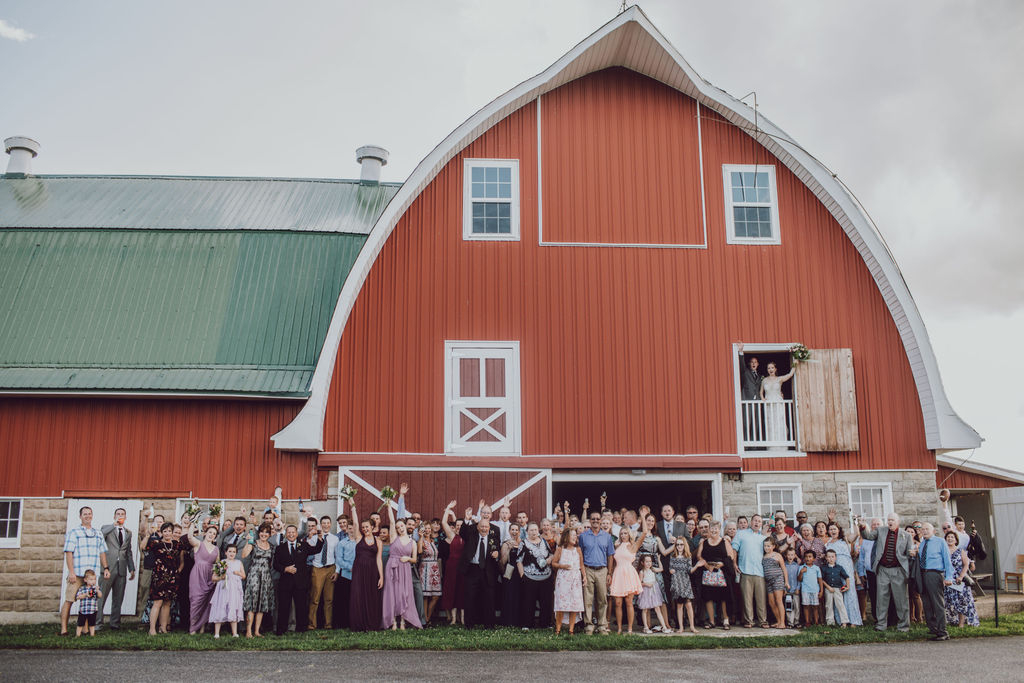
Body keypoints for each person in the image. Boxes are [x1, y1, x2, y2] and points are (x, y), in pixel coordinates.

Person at [61, 506, 110, 637]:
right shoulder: (74, 532)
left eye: (89, 514)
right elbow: (69, 553)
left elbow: (102, 552)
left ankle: (85, 630)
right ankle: (64, 629)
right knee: (69, 600)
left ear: (92, 516)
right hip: (77, 573)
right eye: (84, 514)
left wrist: (106, 568)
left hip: (91, 575)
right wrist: (71, 572)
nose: (87, 516)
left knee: (89, 600)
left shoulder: (98, 533)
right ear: (80, 516)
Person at [859, 512, 912, 632]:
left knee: (901, 600)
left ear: (898, 522)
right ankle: (881, 624)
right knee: (881, 598)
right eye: (888, 520)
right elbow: (868, 536)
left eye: (892, 520)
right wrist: (862, 526)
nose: (890, 522)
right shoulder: (880, 531)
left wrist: (912, 554)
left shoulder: (906, 535)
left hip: (898, 570)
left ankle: (903, 626)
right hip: (882, 570)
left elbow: (909, 554)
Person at [273, 523, 321, 635]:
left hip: (301, 582)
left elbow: (317, 549)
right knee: (284, 606)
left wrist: (319, 538)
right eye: (288, 532)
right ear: (285, 534)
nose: (291, 534)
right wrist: (285, 569)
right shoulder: (280, 548)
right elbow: (275, 564)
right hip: (286, 582)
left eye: (293, 532)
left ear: (296, 533)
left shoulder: (303, 545)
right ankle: (281, 630)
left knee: (301, 606)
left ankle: (302, 629)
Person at [381, 503, 422, 630]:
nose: (400, 528)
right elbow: (392, 521)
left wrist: (408, 558)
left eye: (401, 526)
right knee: (392, 594)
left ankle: (403, 621)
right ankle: (393, 621)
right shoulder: (394, 537)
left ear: (405, 526)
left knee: (404, 594)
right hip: (392, 568)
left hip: (405, 569)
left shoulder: (413, 542)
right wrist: (388, 506)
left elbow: (415, 559)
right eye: (398, 527)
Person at [578, 511, 616, 635]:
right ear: (590, 520)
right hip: (588, 569)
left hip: (602, 570)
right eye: (593, 519)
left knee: (602, 599)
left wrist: (609, 573)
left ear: (601, 520)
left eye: (597, 519)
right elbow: (580, 555)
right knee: (588, 599)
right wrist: (582, 572)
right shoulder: (583, 536)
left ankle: (602, 625)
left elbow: (610, 555)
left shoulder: (607, 536)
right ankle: (588, 625)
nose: (595, 521)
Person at [914, 522, 953, 640]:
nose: (924, 531)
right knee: (926, 603)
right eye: (923, 529)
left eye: (927, 529)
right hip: (923, 574)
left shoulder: (940, 542)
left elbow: (947, 560)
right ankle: (933, 628)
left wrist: (948, 577)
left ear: (933, 531)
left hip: (935, 574)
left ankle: (943, 631)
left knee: (937, 603)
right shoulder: (922, 544)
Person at [97, 507, 135, 631]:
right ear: (114, 516)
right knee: (101, 596)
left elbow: (128, 551)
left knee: (118, 598)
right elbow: (101, 534)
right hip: (108, 568)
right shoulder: (106, 528)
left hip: (121, 569)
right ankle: (98, 622)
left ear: (126, 517)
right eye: (118, 514)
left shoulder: (128, 533)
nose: (120, 516)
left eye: (122, 514)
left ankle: (115, 623)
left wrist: (131, 568)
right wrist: (114, 525)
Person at [347, 502, 384, 631]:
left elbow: (379, 559)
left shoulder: (378, 541)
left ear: (372, 527)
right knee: (358, 595)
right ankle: (359, 624)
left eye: (367, 527)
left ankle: (371, 624)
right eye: (363, 527)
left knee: (371, 596)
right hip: (359, 570)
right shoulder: (358, 538)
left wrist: (381, 577)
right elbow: (355, 523)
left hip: (372, 571)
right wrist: (353, 507)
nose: (365, 529)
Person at [147, 521, 184, 635]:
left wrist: (178, 570)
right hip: (159, 576)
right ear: (162, 532)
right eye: (165, 531)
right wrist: (149, 533)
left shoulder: (177, 544)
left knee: (167, 602)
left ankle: (163, 628)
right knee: (157, 602)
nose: (167, 533)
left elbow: (182, 559)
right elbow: (143, 547)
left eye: (169, 531)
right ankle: (152, 629)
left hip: (172, 576)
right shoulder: (156, 544)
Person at [732, 513, 768, 628]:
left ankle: (762, 621)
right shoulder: (741, 534)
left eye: (759, 521)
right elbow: (734, 549)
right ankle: (749, 621)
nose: (757, 523)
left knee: (761, 598)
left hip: (760, 572)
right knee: (747, 599)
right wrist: (734, 563)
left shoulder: (763, 538)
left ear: (761, 524)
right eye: (755, 520)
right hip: (745, 570)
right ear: (750, 522)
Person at [696, 519, 732, 629]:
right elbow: (699, 556)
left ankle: (726, 620)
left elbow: (731, 556)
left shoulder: (724, 542)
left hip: (721, 573)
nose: (714, 531)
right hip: (708, 573)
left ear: (719, 529)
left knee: (723, 598)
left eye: (716, 528)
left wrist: (722, 564)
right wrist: (706, 565)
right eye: (712, 528)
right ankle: (711, 621)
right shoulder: (704, 542)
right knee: (708, 597)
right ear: (709, 529)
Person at [609, 526, 646, 634]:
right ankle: (620, 628)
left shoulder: (632, 546)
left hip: (629, 573)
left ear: (629, 534)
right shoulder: (616, 545)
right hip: (618, 574)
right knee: (618, 603)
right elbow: (613, 561)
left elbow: (643, 534)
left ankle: (630, 628)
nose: (623, 535)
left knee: (629, 602)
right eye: (622, 533)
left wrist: (643, 516)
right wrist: (610, 574)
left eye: (625, 533)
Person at [824, 522, 862, 626]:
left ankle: (853, 620)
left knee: (849, 592)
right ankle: (842, 620)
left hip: (846, 566)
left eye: (834, 529)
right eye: (830, 529)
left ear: (839, 530)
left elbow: (856, 535)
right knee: (838, 592)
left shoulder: (844, 539)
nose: (833, 531)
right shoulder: (828, 543)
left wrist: (855, 522)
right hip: (834, 568)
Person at [242, 522, 275, 638]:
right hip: (254, 575)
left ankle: (256, 631)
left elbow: (272, 563)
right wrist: (248, 541)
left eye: (267, 532)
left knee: (262, 604)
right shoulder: (254, 543)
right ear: (258, 533)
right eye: (262, 531)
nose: (264, 534)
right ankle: (248, 631)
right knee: (252, 603)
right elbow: (244, 555)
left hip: (266, 576)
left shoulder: (271, 546)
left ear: (270, 534)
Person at [517, 521, 552, 630]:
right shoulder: (523, 543)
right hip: (530, 577)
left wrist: (549, 560)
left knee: (546, 601)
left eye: (535, 530)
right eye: (531, 530)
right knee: (528, 602)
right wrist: (522, 575)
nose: (534, 532)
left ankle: (545, 624)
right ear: (527, 532)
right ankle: (527, 624)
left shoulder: (544, 542)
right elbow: (519, 561)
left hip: (546, 577)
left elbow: (551, 554)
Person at [552, 526, 585, 634]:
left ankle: (571, 629)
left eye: (576, 536)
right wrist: (563, 566)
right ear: (566, 537)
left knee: (574, 604)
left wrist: (584, 576)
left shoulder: (578, 550)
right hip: (563, 579)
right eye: (572, 535)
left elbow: (581, 565)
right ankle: (558, 629)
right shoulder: (560, 549)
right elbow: (553, 563)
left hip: (575, 579)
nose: (574, 538)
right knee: (562, 604)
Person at [308, 515, 338, 630]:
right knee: (315, 598)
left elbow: (337, 556)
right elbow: (307, 549)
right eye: (323, 523)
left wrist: (337, 571)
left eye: (328, 523)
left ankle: (328, 624)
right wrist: (311, 535)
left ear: (330, 524)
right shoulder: (315, 538)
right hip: (318, 568)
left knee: (329, 598)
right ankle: (312, 624)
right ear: (320, 525)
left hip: (330, 568)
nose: (326, 525)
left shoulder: (335, 539)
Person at [943, 530, 979, 627]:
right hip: (947, 579)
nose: (950, 539)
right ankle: (952, 621)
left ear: (956, 540)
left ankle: (961, 624)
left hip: (958, 579)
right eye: (948, 537)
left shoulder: (960, 551)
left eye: (952, 537)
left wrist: (961, 576)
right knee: (949, 601)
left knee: (962, 602)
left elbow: (966, 564)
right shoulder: (943, 551)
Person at [210, 544, 245, 638]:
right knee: (221, 606)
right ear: (225, 552)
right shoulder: (222, 562)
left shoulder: (239, 562)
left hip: (234, 589)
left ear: (236, 553)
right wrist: (221, 577)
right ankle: (217, 633)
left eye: (234, 552)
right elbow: (213, 577)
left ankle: (234, 633)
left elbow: (244, 576)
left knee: (233, 606)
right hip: (223, 588)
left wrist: (238, 573)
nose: (231, 553)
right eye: (229, 551)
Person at [760, 361, 796, 450]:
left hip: (778, 404)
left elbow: (790, 374)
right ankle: (772, 447)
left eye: (772, 368)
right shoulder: (764, 380)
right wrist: (763, 399)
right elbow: (761, 392)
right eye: (769, 368)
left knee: (779, 423)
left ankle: (781, 446)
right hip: (769, 405)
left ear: (775, 369)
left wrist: (796, 363)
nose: (770, 370)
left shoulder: (779, 379)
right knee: (770, 424)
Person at [439, 502, 465, 626]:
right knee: (452, 591)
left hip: (463, 567)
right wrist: (448, 509)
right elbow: (444, 523)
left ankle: (463, 618)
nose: (459, 527)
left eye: (461, 525)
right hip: (452, 566)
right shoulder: (452, 535)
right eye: (457, 525)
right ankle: (454, 619)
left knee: (462, 591)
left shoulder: (467, 537)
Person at [136, 513, 164, 618]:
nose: (158, 524)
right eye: (156, 522)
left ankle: (158, 620)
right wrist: (145, 518)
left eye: (160, 521)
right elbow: (142, 547)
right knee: (145, 592)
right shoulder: (149, 535)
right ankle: (141, 619)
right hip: (149, 568)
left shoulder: (165, 536)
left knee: (159, 597)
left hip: (161, 571)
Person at [668, 537, 697, 633]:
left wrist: (696, 566)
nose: (679, 546)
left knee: (688, 604)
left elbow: (689, 570)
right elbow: (670, 568)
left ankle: (692, 626)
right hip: (676, 582)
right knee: (679, 605)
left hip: (685, 582)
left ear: (685, 545)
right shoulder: (673, 556)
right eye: (677, 545)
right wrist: (671, 571)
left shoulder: (688, 556)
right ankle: (681, 627)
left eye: (681, 544)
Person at [333, 514, 356, 629]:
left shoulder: (359, 542)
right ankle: (343, 623)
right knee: (344, 599)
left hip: (358, 575)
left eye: (352, 528)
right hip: (346, 573)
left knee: (355, 599)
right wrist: (348, 567)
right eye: (349, 528)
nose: (350, 530)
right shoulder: (341, 542)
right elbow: (339, 559)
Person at [636, 554, 669, 634]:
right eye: (646, 562)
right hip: (646, 591)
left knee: (657, 608)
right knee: (645, 609)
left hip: (654, 591)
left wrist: (658, 559)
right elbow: (639, 583)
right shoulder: (642, 572)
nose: (649, 563)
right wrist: (646, 584)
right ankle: (646, 627)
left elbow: (661, 569)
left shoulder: (652, 569)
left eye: (650, 561)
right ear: (642, 562)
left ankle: (664, 626)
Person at [762, 537, 788, 629]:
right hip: (768, 581)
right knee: (771, 602)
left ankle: (783, 623)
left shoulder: (777, 555)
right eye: (765, 546)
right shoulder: (763, 556)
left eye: (768, 546)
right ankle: (778, 621)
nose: (766, 548)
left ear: (773, 546)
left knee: (778, 601)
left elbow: (784, 568)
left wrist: (786, 582)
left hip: (778, 579)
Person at [499, 523, 522, 627]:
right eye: (512, 529)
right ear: (509, 531)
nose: (514, 532)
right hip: (510, 571)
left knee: (519, 596)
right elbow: (502, 562)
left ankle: (518, 620)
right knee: (509, 596)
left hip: (520, 572)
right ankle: (508, 621)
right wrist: (508, 550)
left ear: (519, 532)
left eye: (516, 530)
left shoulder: (523, 543)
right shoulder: (505, 544)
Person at [820, 549, 850, 627]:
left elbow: (846, 577)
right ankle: (830, 622)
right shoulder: (824, 568)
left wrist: (847, 586)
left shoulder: (839, 567)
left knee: (840, 604)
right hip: (828, 588)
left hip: (838, 588)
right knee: (828, 605)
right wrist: (828, 587)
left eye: (832, 557)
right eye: (829, 557)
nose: (831, 559)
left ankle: (844, 622)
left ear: (835, 557)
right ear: (826, 558)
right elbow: (821, 579)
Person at [420, 521, 442, 624]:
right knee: (425, 596)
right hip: (425, 568)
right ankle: (425, 620)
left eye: (429, 528)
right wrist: (420, 538)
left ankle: (427, 617)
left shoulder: (433, 541)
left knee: (435, 596)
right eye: (425, 529)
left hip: (434, 568)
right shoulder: (422, 541)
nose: (428, 530)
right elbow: (419, 552)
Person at [74, 569, 102, 637]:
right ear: (85, 580)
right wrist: (85, 595)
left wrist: (98, 591)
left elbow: (100, 596)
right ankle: (78, 635)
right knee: (80, 623)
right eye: (91, 579)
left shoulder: (95, 589)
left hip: (92, 610)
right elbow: (78, 597)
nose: (93, 581)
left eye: (94, 579)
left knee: (92, 624)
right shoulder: (82, 588)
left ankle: (92, 634)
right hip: (83, 609)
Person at [798, 550, 823, 626]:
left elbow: (820, 580)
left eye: (810, 557)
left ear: (814, 559)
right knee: (806, 606)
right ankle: (807, 621)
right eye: (806, 557)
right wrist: (801, 572)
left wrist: (821, 591)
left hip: (815, 590)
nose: (808, 558)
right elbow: (799, 579)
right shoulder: (802, 567)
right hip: (805, 590)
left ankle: (816, 622)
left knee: (815, 606)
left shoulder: (816, 568)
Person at [783, 547, 801, 628]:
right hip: (788, 591)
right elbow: (782, 578)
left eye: (792, 555)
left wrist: (798, 588)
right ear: (786, 556)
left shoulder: (797, 566)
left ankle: (796, 622)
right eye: (789, 555)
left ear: (794, 556)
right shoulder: (784, 566)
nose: (790, 556)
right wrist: (784, 589)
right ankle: (790, 622)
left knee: (797, 606)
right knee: (789, 607)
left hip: (795, 590)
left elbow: (799, 578)